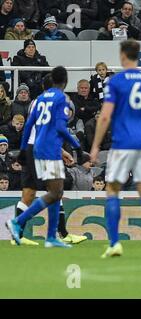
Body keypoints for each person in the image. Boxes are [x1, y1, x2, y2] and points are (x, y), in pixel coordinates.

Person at [90, 40, 141, 258]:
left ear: (123, 55)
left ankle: (115, 243)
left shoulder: (116, 82)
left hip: (122, 144)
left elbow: (105, 116)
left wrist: (95, 146)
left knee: (113, 190)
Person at [6, 66, 83, 248]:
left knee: (53, 191)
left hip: (37, 147)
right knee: (55, 192)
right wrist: (77, 146)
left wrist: (24, 149)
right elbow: (60, 128)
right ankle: (18, 222)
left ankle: (51, 237)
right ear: (65, 81)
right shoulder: (62, 99)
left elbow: (29, 124)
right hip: (49, 148)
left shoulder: (39, 100)